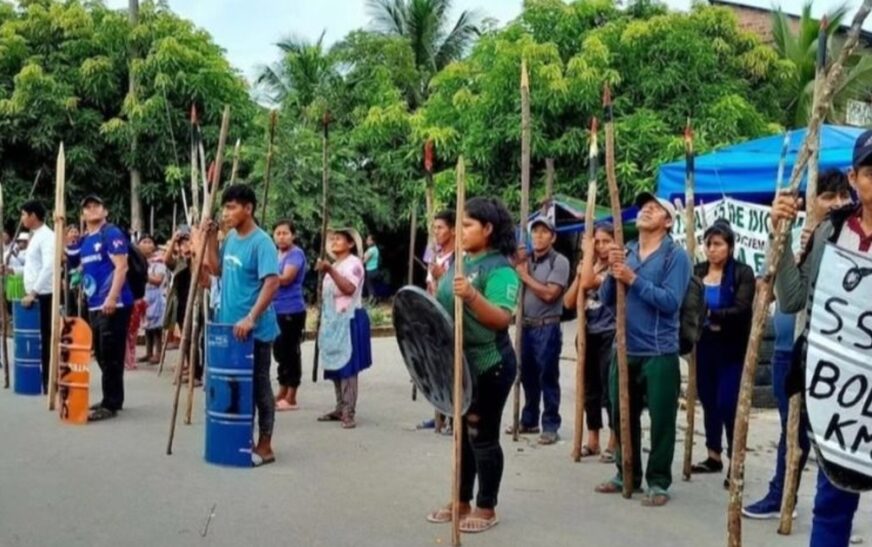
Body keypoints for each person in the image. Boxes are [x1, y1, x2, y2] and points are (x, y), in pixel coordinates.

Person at [766, 161, 867, 547]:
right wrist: (780, 233)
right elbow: (791, 298)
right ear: (855, 179)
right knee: (833, 500)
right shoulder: (832, 231)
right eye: (871, 172)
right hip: (840, 392)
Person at [743, 169, 851, 520]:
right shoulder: (811, 237)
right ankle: (781, 495)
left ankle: (824, 505)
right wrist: (783, 234)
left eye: (841, 196)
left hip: (835, 358)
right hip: (792, 350)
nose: (837, 204)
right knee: (792, 431)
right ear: (811, 202)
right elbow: (785, 294)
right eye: (827, 197)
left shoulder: (846, 239)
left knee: (834, 439)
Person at [592, 192, 691, 507]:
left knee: (662, 420)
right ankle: (626, 473)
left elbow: (671, 301)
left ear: (668, 221)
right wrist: (612, 268)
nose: (646, 210)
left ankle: (658, 481)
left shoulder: (675, 256)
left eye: (654, 208)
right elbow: (607, 298)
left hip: (659, 350)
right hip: (625, 348)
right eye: (644, 207)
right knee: (622, 414)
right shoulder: (628, 251)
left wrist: (632, 279)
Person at [427, 197, 520, 534]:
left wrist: (471, 296)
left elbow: (500, 318)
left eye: (468, 225)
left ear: (488, 228)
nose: (461, 231)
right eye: (461, 224)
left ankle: (486, 506)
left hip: (490, 363)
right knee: (462, 437)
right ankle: (461, 500)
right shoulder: (460, 262)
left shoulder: (501, 269)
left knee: (482, 435)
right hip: (460, 364)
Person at [202, 184, 280, 466]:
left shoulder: (262, 243)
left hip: (255, 330)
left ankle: (266, 444)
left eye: (232, 207)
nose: (227, 212)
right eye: (225, 207)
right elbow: (216, 269)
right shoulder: (231, 239)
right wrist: (211, 238)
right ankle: (240, 439)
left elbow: (272, 283)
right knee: (236, 386)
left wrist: (251, 317)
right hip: (230, 329)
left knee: (259, 386)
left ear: (248, 208)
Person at [688, 220, 755, 487]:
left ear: (729, 246)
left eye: (718, 244)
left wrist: (713, 315)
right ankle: (713, 454)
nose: (712, 249)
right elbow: (689, 304)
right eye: (709, 244)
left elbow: (742, 309)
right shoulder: (698, 272)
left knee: (728, 403)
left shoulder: (741, 273)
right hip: (704, 346)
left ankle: (735, 461)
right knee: (708, 400)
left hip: (731, 348)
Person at [65, 194, 133, 421]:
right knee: (103, 354)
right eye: (87, 207)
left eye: (97, 206)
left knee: (110, 353)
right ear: (82, 214)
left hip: (114, 303)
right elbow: (72, 260)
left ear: (105, 211)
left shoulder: (111, 234)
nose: (92, 209)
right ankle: (114, 397)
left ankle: (110, 403)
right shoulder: (85, 240)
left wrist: (112, 298)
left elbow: (121, 267)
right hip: (94, 304)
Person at [512, 216, 569, 445]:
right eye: (535, 232)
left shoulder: (559, 261)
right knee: (526, 375)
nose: (539, 236)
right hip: (525, 325)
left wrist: (525, 276)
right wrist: (519, 264)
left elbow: (549, 294)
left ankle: (551, 424)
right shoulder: (526, 260)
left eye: (544, 232)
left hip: (547, 327)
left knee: (548, 376)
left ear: (553, 237)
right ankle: (529, 419)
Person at [563, 223, 617, 461]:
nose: (601, 246)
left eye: (606, 241)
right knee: (589, 389)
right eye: (597, 241)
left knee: (610, 388)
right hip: (587, 333)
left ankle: (615, 440)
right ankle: (592, 438)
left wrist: (585, 259)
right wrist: (580, 271)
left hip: (610, 332)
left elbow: (590, 283)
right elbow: (568, 302)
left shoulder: (615, 267)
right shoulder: (588, 266)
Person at [315, 227, 372, 429]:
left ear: (350, 243)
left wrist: (330, 270)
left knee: (348, 367)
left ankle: (349, 411)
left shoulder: (354, 264)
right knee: (335, 366)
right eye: (333, 239)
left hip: (349, 319)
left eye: (339, 239)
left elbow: (349, 288)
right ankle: (340, 407)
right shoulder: (333, 265)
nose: (334, 241)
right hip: (333, 322)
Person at [419, 209, 457, 434]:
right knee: (436, 368)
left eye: (440, 228)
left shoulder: (459, 257)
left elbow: (455, 289)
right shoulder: (433, 254)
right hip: (433, 317)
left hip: (450, 317)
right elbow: (428, 285)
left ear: (452, 230)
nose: (436, 232)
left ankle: (453, 416)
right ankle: (439, 413)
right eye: (434, 228)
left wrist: (442, 277)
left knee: (452, 368)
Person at [18, 200, 55, 394]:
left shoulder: (47, 236)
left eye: (24, 214)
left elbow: (49, 267)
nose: (22, 218)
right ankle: (43, 379)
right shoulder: (35, 236)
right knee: (39, 338)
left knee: (46, 337)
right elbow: (32, 267)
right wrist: (12, 269)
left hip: (44, 295)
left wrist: (34, 292)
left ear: (33, 216)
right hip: (35, 294)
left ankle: (49, 380)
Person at [272, 219, 307, 411]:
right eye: (278, 233)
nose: (281, 236)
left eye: (285, 233)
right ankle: (282, 389)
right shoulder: (276, 254)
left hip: (291, 309)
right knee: (279, 352)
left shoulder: (296, 254)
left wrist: (265, 277)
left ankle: (292, 395)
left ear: (292, 235)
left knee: (291, 352)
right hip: (275, 309)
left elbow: (286, 279)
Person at [138, 234, 167, 365]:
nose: (147, 244)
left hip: (155, 296)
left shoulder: (158, 261)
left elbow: (158, 280)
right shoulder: (139, 261)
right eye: (144, 241)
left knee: (157, 328)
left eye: (150, 242)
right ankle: (148, 352)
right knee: (147, 326)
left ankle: (158, 353)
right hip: (144, 295)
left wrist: (143, 276)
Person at [363, 234, 380, 300]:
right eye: (367, 240)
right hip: (375, 269)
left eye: (369, 240)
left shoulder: (371, 250)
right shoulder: (375, 249)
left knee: (370, 286)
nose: (367, 241)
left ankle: (372, 301)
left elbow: (365, 261)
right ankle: (374, 300)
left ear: (373, 241)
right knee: (372, 286)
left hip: (370, 270)